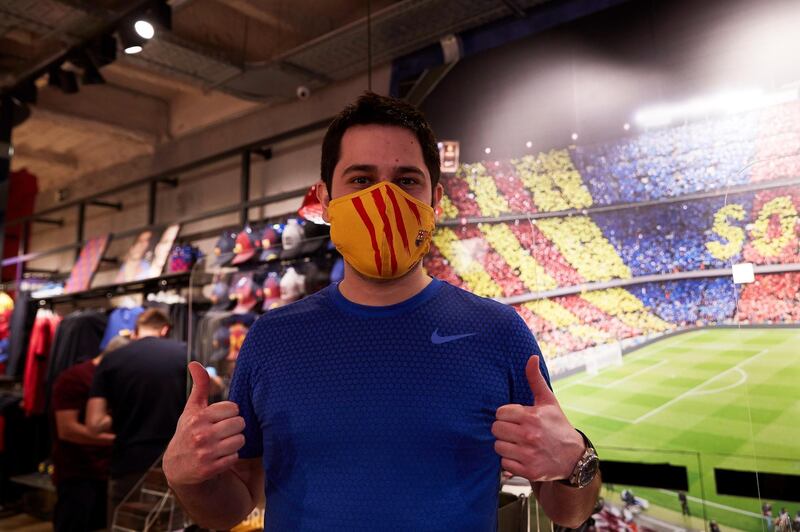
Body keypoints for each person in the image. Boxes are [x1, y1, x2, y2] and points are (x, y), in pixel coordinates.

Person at [162, 92, 601, 531]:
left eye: (407, 180)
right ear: (325, 200)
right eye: (360, 179)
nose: (384, 198)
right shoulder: (271, 339)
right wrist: (186, 479)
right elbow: (231, 508)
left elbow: (567, 510)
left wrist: (576, 460)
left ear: (436, 202)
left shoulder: (498, 332)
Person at [87, 308, 189, 526]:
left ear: (135, 331)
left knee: (126, 525)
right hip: (176, 465)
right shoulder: (184, 353)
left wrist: (125, 412)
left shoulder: (112, 359)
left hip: (128, 464)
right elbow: (207, 395)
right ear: (165, 329)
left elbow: (94, 424)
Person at [50, 336, 129, 532]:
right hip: (79, 471)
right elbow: (67, 430)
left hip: (108, 469)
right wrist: (117, 441)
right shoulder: (74, 378)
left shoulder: (115, 377)